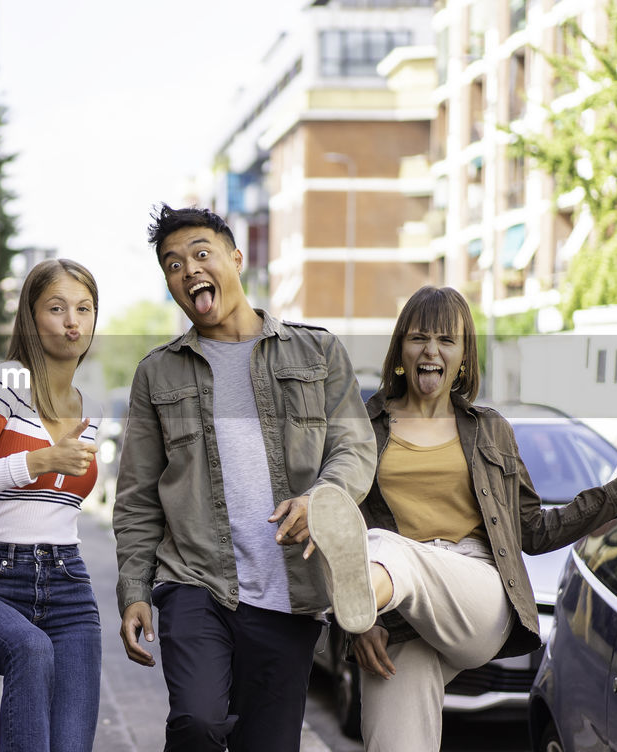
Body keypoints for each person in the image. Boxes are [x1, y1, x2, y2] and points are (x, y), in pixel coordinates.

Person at [301, 285, 617, 752]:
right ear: (400, 351)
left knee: (385, 548)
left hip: (475, 587)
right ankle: (362, 603)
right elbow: (344, 519)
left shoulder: (490, 430)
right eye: (419, 338)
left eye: (446, 340)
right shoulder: (366, 430)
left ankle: (360, 595)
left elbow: (533, 530)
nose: (431, 350)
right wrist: (363, 626)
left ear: (464, 357)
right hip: (400, 614)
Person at [113, 204, 377, 751]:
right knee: (199, 721)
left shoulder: (318, 351)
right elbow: (138, 496)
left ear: (236, 259)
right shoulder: (157, 372)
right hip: (195, 581)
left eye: (200, 255)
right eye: (172, 265)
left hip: (290, 592)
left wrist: (320, 498)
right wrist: (134, 590)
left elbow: (354, 446)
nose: (187, 271)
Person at [0, 259, 103, 752]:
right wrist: (37, 460)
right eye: (56, 308)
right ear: (32, 318)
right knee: (30, 650)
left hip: (70, 582)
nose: (72, 321)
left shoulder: (88, 404)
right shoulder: (4, 383)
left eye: (84, 308)